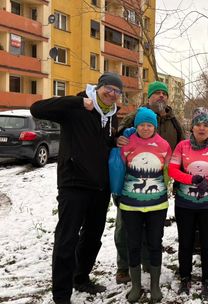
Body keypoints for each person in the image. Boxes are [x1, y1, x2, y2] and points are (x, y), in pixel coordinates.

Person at [30, 72, 122, 304]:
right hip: (74, 184)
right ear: (98, 87)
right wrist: (77, 101)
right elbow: (36, 108)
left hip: (100, 187)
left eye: (117, 92)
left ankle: (80, 277)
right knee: (66, 239)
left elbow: (100, 144)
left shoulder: (112, 116)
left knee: (93, 237)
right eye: (108, 89)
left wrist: (116, 141)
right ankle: (61, 295)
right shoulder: (77, 107)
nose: (112, 94)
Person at [114, 80, 185, 283]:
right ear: (149, 97)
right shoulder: (135, 116)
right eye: (157, 93)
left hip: (159, 184)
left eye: (164, 93)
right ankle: (123, 267)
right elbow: (116, 137)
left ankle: (146, 262)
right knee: (124, 227)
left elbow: (181, 147)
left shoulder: (173, 120)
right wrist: (117, 140)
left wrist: (176, 177)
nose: (161, 96)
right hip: (131, 184)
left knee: (152, 228)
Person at [168, 107, 208, 300]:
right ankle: (185, 277)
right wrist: (191, 179)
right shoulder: (182, 146)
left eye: (206, 125)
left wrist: (207, 182)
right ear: (191, 127)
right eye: (198, 124)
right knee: (186, 242)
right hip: (185, 204)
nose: (202, 128)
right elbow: (173, 170)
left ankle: (207, 278)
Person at [118, 108, 172, 303]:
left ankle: (155, 285)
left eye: (150, 125)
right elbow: (120, 168)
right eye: (142, 124)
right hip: (130, 204)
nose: (146, 128)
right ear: (136, 126)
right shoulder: (127, 143)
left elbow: (167, 171)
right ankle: (135, 286)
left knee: (155, 243)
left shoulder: (164, 145)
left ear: (155, 126)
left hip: (157, 204)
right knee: (133, 243)